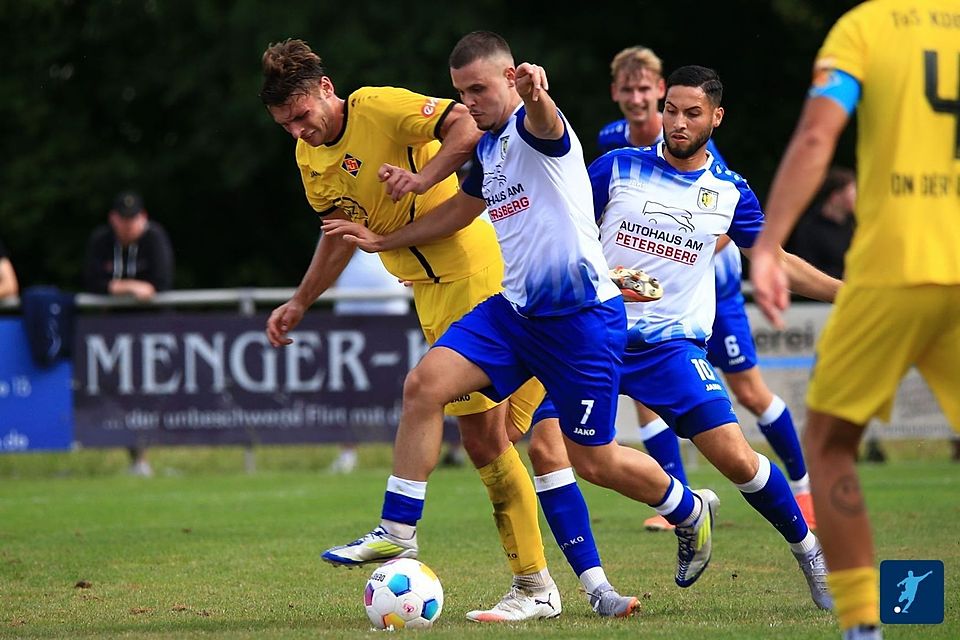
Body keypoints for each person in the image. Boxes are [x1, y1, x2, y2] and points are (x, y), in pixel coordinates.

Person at [322, 30, 719, 608]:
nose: (469, 102)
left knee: (593, 460)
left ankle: (688, 507)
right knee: (424, 385)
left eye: (479, 89)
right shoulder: (486, 149)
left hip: (582, 322)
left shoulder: (539, 131)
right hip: (515, 314)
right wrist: (383, 240)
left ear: (510, 79)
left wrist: (537, 92)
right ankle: (397, 532)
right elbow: (458, 214)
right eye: (461, 92)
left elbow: (544, 116)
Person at [258, 38, 636, 620]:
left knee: (492, 437)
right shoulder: (310, 161)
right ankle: (567, 581)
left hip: (477, 275)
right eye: (285, 124)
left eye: (302, 116)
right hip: (431, 293)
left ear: (327, 91)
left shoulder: (377, 107)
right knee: (511, 439)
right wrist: (302, 301)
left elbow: (463, 127)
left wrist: (421, 177)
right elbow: (339, 235)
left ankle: (532, 581)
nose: (298, 132)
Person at [750, 2, 960, 638]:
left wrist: (769, 244)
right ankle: (902, 608)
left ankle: (865, 625)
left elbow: (818, 136)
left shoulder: (866, 27)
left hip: (895, 267)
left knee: (830, 445)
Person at [598, 45, 817, 532]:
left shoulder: (717, 172)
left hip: (710, 295)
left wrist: (678, 256)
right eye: (667, 109)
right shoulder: (614, 154)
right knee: (591, 433)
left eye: (646, 89)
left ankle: (804, 492)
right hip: (623, 318)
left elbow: (726, 234)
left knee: (750, 396)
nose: (642, 101)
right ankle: (679, 506)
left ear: (712, 117)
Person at [83, 190, 174, 477]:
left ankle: (143, 457)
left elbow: (160, 282)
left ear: (143, 218)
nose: (128, 225)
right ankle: (135, 457)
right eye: (123, 219)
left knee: (147, 394)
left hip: (151, 334)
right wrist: (128, 287)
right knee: (119, 394)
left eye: (133, 219)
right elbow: (91, 280)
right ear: (113, 219)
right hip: (112, 335)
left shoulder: (155, 238)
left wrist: (114, 285)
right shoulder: (101, 241)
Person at [329, 250, 411, 474]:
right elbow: (330, 257)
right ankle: (348, 454)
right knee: (349, 389)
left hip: (393, 313)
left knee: (403, 387)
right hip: (349, 314)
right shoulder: (340, 215)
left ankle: (407, 457)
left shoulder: (402, 215)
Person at [787, 166, 856, 279]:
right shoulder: (809, 228)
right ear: (835, 196)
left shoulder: (854, 226)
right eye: (852, 192)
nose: (856, 197)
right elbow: (806, 269)